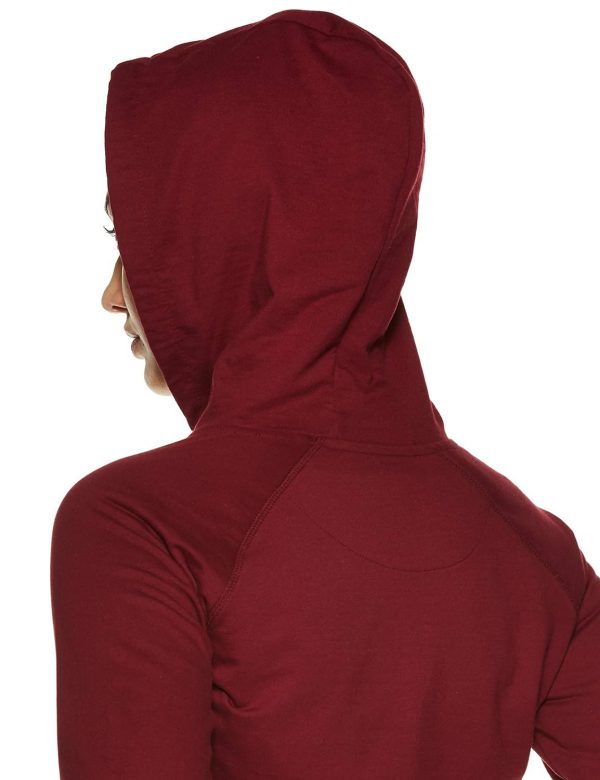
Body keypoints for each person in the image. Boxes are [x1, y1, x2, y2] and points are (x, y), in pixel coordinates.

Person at [50, 9, 600, 779]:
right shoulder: (535, 553)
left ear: (221, 232)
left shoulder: (141, 527)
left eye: (132, 239)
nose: (113, 295)